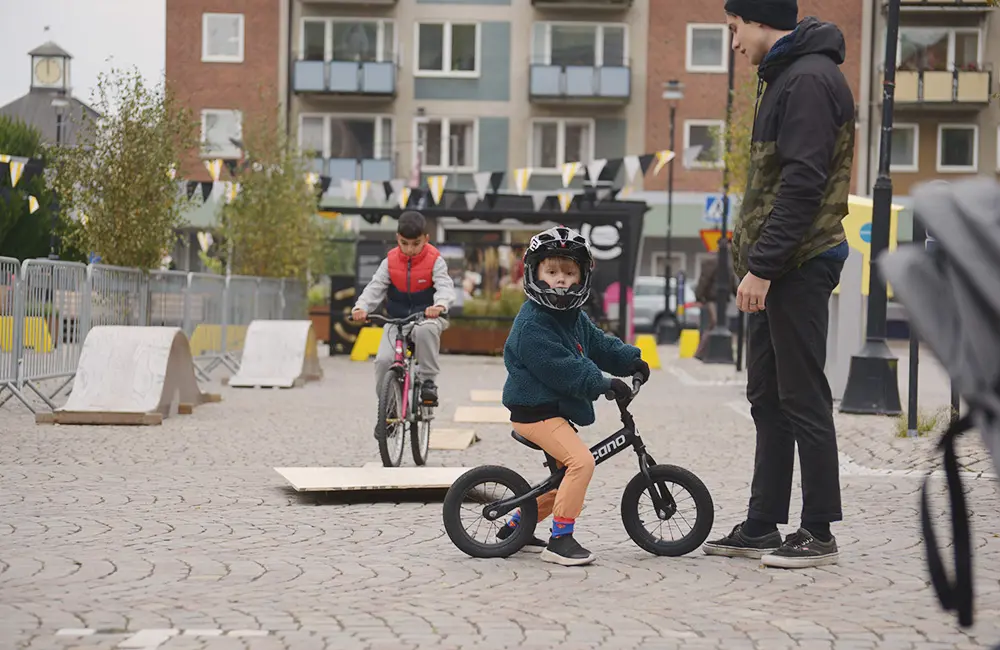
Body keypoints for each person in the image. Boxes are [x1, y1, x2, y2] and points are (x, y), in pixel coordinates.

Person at [702, 0, 854, 569]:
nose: (735, 43)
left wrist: (762, 267)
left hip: (799, 263)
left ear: (760, 20)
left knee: (802, 395)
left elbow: (803, 185)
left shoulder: (810, 79)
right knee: (767, 396)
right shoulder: (785, 75)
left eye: (735, 30)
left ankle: (818, 530)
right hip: (775, 267)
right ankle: (764, 523)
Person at [498, 226, 650, 567]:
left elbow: (599, 343)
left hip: (551, 409)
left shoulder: (572, 317)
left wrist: (632, 360)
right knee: (581, 463)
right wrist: (604, 383)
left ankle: (514, 529)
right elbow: (562, 368)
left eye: (569, 272)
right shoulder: (533, 324)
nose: (561, 280)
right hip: (534, 412)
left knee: (562, 479)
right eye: (552, 272)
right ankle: (560, 539)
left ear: (582, 277)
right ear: (535, 273)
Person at [351, 211, 455, 427]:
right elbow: (375, 287)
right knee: (382, 361)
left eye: (415, 244)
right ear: (397, 238)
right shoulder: (389, 261)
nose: (409, 249)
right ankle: (388, 409)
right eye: (404, 243)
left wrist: (440, 305)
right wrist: (361, 307)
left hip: (426, 317)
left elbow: (444, 285)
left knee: (424, 331)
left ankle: (428, 382)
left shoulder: (435, 260)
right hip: (397, 320)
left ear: (426, 239)